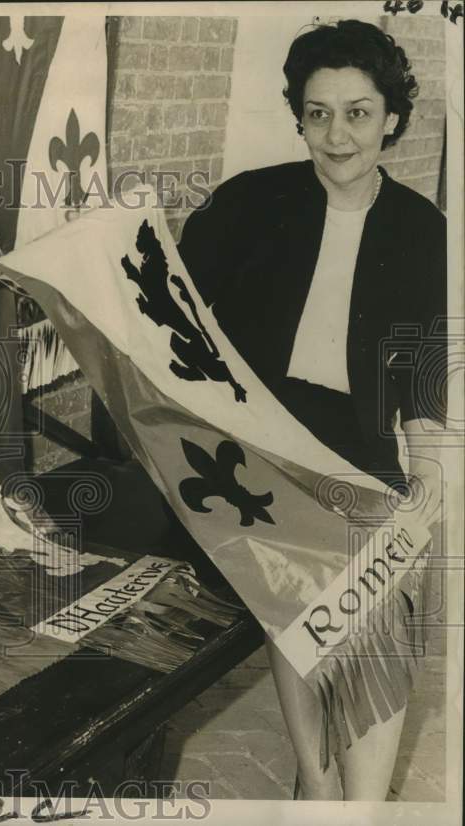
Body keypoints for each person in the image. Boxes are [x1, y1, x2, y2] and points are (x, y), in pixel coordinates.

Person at [176, 19, 448, 801]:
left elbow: (423, 394)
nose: (337, 134)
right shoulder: (249, 204)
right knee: (307, 579)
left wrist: (426, 483)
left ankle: (344, 804)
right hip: (246, 447)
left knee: (387, 587)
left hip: (354, 448)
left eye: (358, 112)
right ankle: (325, 799)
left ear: (392, 117)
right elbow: (158, 304)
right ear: (298, 114)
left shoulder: (426, 235)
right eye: (318, 112)